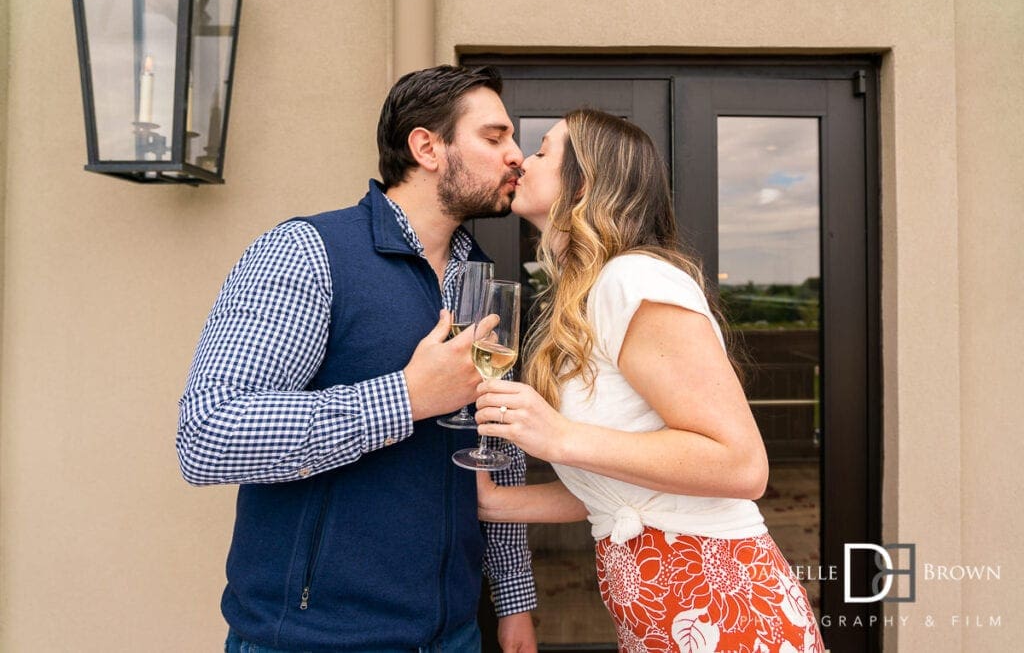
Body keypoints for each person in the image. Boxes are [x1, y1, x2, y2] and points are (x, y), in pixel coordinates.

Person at [177, 65, 538, 652]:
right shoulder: (305, 253)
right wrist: (407, 398)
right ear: (427, 147)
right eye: (495, 138)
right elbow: (210, 435)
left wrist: (514, 599)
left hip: (454, 637)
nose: (516, 155)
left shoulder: (481, 280)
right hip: (313, 640)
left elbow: (495, 454)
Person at [474, 109, 824, 652]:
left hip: (717, 597)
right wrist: (493, 502)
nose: (522, 158)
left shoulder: (631, 278)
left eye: (543, 151)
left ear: (584, 182)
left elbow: (742, 465)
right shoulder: (583, 296)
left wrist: (560, 437)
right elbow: (619, 487)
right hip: (660, 603)